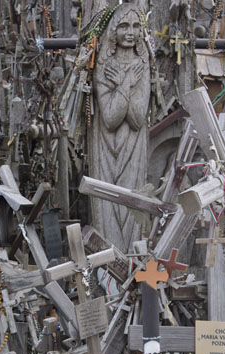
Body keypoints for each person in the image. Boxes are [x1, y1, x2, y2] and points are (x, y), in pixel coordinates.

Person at [89, 3, 150, 249]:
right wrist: (127, 84)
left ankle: (131, 263)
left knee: (131, 203)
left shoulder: (142, 65)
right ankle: (108, 265)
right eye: (124, 26)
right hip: (105, 146)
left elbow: (136, 120)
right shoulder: (103, 66)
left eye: (136, 27)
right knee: (107, 205)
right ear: (113, 31)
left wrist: (120, 87)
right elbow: (111, 118)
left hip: (133, 146)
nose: (130, 32)